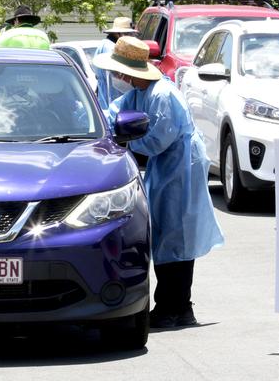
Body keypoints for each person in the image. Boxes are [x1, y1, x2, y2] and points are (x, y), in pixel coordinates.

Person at [93, 36, 224, 328]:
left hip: (180, 169)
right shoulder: (137, 94)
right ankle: (172, 306)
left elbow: (157, 142)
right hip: (164, 170)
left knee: (176, 239)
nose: (115, 77)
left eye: (118, 72)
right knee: (165, 237)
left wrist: (126, 143)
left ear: (128, 72)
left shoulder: (162, 94)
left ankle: (176, 307)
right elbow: (113, 114)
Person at [93, 17, 138, 110]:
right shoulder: (112, 49)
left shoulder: (104, 44)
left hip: (104, 100)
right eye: (128, 33)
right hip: (113, 102)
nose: (130, 36)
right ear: (118, 34)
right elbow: (117, 83)